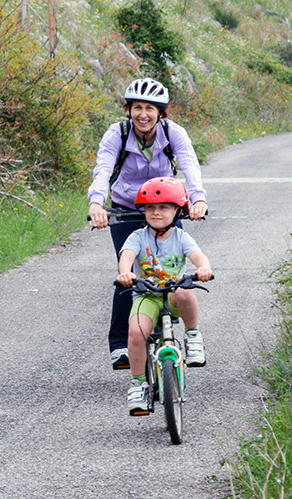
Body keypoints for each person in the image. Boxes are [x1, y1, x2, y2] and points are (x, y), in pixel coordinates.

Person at [88, 77, 208, 370]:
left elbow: (189, 164)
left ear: (160, 112)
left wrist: (198, 199)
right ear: (128, 109)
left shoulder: (173, 132)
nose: (143, 114)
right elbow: (103, 168)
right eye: (137, 107)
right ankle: (120, 345)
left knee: (172, 271)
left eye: (150, 109)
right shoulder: (117, 133)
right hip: (127, 207)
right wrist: (96, 203)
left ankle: (183, 328)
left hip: (165, 207)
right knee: (128, 274)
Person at [115, 177, 212, 416]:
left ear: (178, 211)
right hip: (147, 296)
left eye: (163, 207)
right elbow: (127, 256)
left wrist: (203, 268)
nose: (155, 212)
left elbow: (197, 256)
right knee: (136, 333)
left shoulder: (180, 237)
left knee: (186, 290)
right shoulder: (137, 237)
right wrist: (125, 273)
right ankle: (139, 384)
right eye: (150, 207)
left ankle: (193, 335)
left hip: (173, 295)